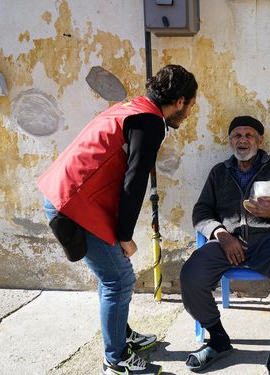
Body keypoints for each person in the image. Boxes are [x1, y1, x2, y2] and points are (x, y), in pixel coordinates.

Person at [38, 64, 197, 375]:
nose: (189, 112)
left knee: (112, 276)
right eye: (190, 105)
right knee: (119, 279)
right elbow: (134, 181)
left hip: (72, 196)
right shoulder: (149, 122)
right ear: (179, 101)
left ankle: (121, 337)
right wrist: (124, 234)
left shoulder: (134, 107)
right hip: (74, 205)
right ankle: (115, 360)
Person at [180, 116, 270, 375]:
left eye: (249, 135)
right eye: (237, 135)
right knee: (190, 275)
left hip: (269, 241)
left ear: (260, 141)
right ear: (230, 141)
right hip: (228, 241)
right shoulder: (219, 172)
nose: (243, 140)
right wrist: (221, 234)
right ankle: (218, 340)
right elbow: (201, 211)